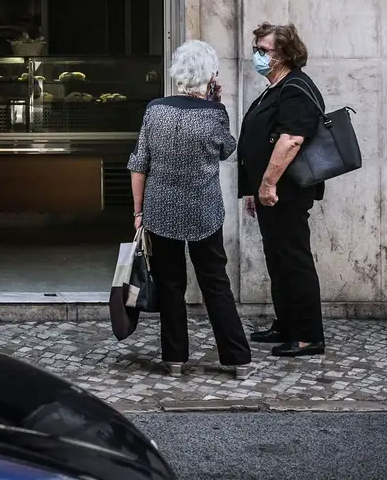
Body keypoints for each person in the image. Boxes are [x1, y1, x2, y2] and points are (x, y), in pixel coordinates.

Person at [127, 40, 252, 378]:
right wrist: (217, 104)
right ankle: (237, 358)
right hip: (203, 211)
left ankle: (174, 358)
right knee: (215, 282)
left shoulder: (155, 109)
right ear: (210, 77)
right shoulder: (215, 114)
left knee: (170, 284)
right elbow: (227, 149)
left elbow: (139, 164)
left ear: (177, 73)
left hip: (160, 210)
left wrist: (139, 211)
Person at [237, 22, 327, 357]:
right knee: (277, 259)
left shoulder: (295, 88)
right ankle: (287, 324)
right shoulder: (274, 88)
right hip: (269, 193)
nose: (258, 56)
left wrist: (268, 182)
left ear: (285, 53)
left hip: (286, 191)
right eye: (256, 49)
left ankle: (307, 335)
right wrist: (254, 188)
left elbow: (291, 140)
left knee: (294, 258)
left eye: (264, 50)